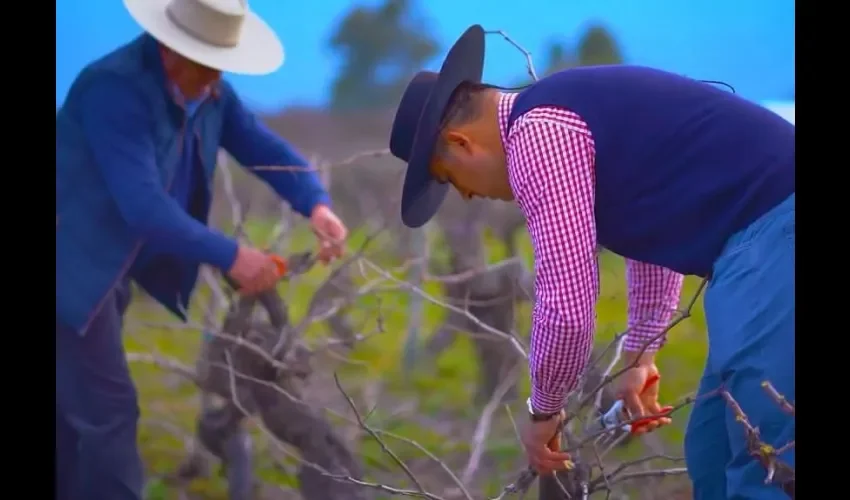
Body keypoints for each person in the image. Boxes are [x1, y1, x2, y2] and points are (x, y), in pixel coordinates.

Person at [387, 25, 794, 500]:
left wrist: (545, 412)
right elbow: (660, 229)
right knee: (711, 456)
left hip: (776, 231)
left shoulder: (537, 135)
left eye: (450, 179)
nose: (469, 194)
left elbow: (567, 303)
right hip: (760, 242)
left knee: (766, 467)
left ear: (460, 143)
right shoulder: (564, 114)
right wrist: (641, 355)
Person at [55, 1, 348, 498]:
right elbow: (144, 205)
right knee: (109, 412)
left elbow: (264, 149)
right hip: (70, 267)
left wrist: (316, 204)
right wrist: (230, 255)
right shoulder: (115, 90)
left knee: (70, 413)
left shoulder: (210, 94)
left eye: (221, 64)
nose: (215, 78)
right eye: (207, 62)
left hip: (101, 270)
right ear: (172, 49)